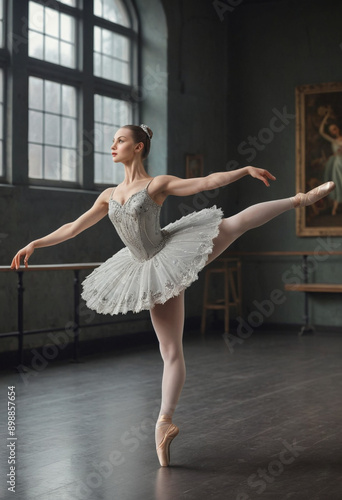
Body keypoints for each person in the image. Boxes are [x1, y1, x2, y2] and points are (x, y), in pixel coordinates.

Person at [10, 124, 335, 467]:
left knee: (235, 224)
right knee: (171, 352)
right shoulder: (107, 195)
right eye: (113, 140)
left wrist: (244, 170)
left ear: (138, 147)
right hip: (144, 268)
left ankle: (300, 199)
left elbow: (207, 182)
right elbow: (73, 227)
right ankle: (163, 425)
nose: (112, 145)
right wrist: (36, 243)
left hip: (172, 252)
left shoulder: (156, 184)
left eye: (120, 140)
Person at [319, 107, 342, 215]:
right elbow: (321, 132)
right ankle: (334, 208)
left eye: (334, 128)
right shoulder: (333, 140)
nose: (333, 131)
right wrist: (326, 117)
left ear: (337, 128)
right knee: (337, 184)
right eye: (332, 130)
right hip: (338, 164)